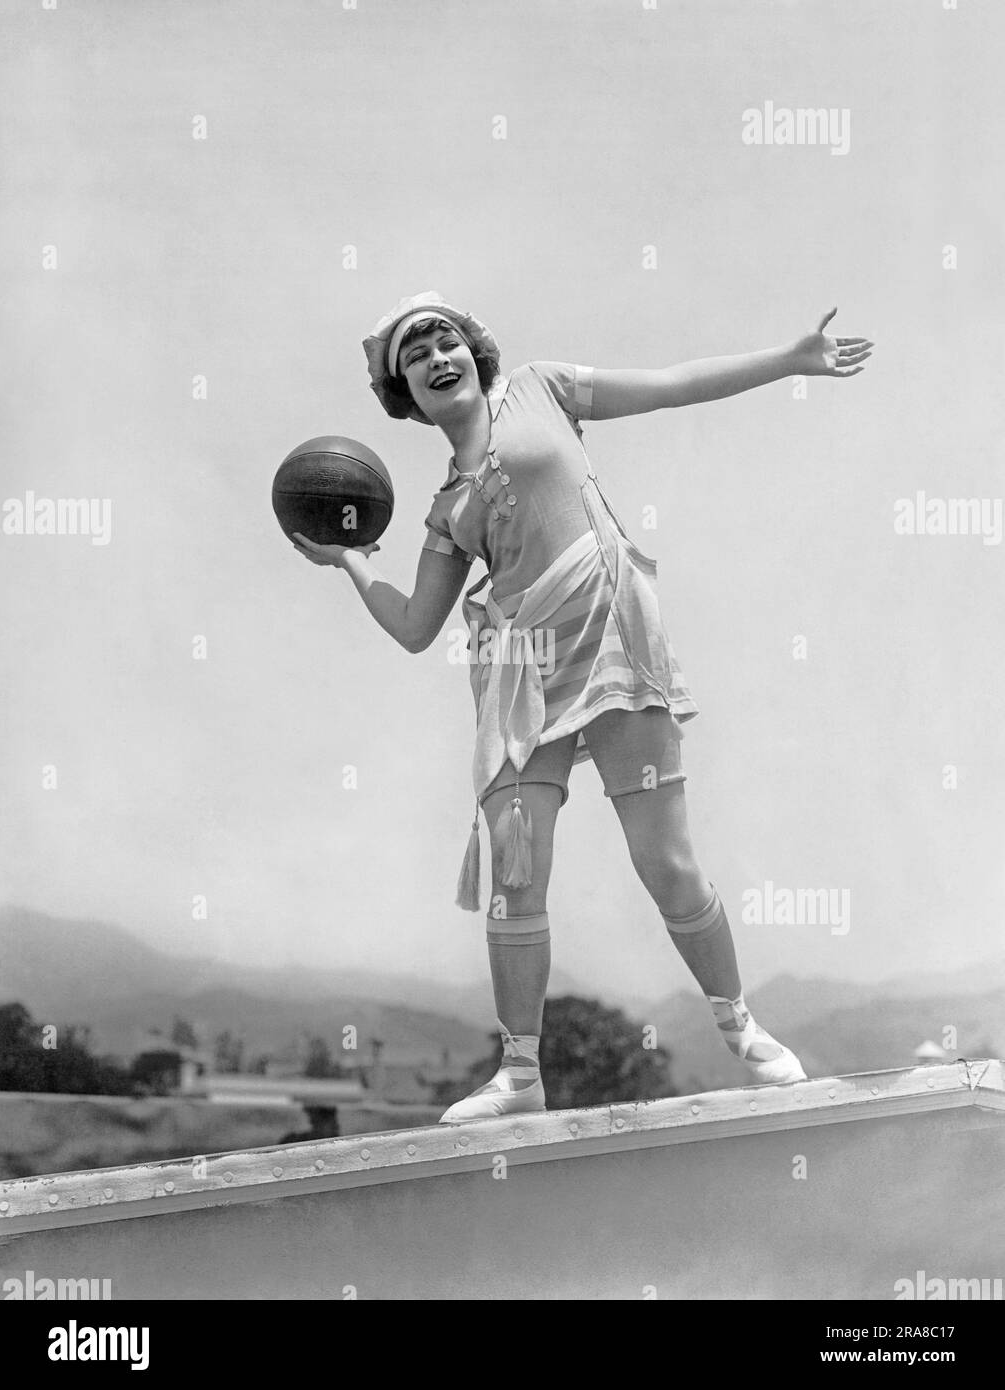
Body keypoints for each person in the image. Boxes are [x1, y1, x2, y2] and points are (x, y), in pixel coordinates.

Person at [293, 291, 874, 1123]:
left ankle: (738, 1023)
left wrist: (786, 361)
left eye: (442, 337)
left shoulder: (541, 390)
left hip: (611, 641)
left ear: (473, 351)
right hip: (521, 673)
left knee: (666, 866)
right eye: (412, 355)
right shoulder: (447, 511)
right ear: (406, 398)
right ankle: (519, 1072)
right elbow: (417, 626)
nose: (432, 354)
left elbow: (672, 383)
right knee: (515, 877)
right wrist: (351, 562)